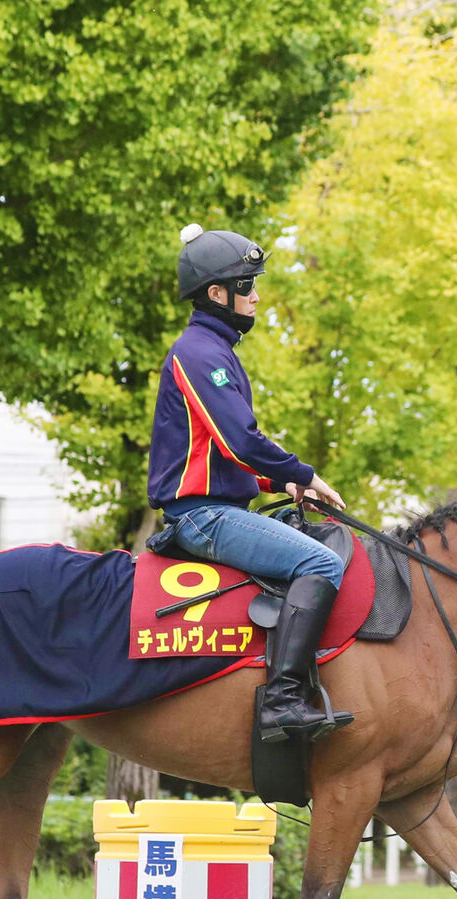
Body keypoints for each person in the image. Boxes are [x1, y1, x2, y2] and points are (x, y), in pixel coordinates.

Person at [146, 224, 353, 743]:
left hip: (219, 506)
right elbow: (240, 438)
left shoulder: (216, 351)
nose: (256, 296)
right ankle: (281, 703)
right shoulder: (199, 354)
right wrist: (301, 473)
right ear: (217, 294)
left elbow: (221, 453)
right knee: (320, 561)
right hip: (203, 516)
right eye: (247, 286)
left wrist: (281, 485)